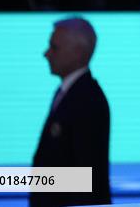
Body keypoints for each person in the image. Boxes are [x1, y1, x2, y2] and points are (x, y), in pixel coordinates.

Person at [31, 17, 110, 207]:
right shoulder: (69, 94)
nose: (46, 54)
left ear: (77, 52)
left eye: (54, 47)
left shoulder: (88, 100)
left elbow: (87, 177)